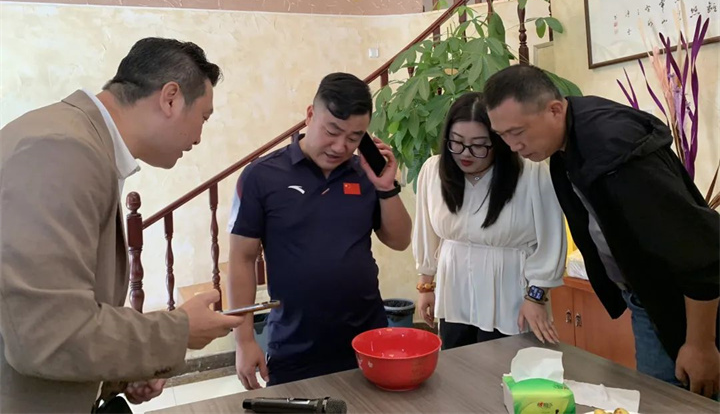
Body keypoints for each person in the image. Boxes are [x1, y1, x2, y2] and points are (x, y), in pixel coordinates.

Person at [0, 38, 246, 413]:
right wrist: (180, 330)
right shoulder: (62, 149)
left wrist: (123, 370)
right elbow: (48, 335)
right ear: (171, 99)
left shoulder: (78, 140)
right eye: (204, 117)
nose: (199, 137)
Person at [484, 64, 719, 398]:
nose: (512, 146)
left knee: (680, 398)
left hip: (686, 303)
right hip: (646, 295)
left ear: (554, 109)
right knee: (659, 396)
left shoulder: (613, 151)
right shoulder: (567, 139)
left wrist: (701, 344)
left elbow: (700, 253)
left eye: (517, 132)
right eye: (502, 135)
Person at [228, 72, 412, 388]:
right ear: (310, 115)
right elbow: (242, 259)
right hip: (294, 344)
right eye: (332, 131)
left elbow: (399, 240)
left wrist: (386, 187)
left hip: (367, 337)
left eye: (354, 137)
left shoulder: (366, 174)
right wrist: (244, 340)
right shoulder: (261, 176)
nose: (340, 146)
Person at [413, 92, 566, 349]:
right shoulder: (433, 171)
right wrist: (426, 285)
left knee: (506, 364)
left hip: (511, 296)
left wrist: (536, 298)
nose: (466, 154)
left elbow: (551, 242)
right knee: (457, 364)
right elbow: (426, 231)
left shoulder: (533, 175)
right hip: (454, 291)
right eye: (457, 142)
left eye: (479, 145)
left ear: (499, 141)